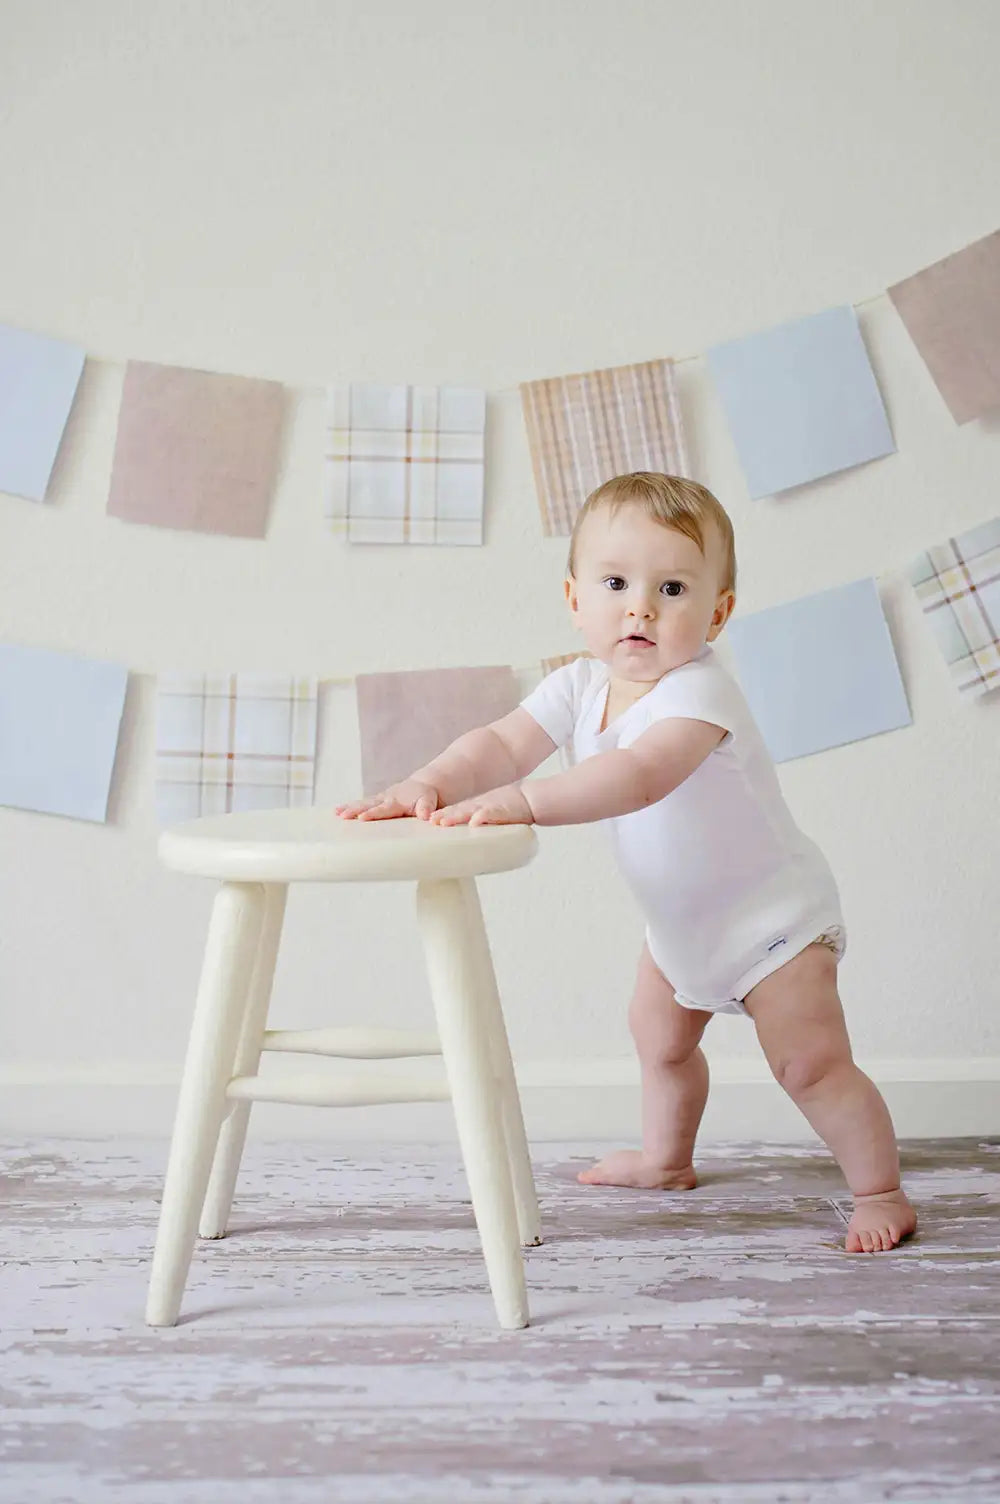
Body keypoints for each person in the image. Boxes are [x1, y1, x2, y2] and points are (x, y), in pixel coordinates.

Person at [335, 471, 917, 1254]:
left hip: (775, 924)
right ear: (575, 599)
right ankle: (666, 1158)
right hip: (680, 929)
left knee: (810, 1065)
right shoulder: (576, 686)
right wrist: (429, 782)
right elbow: (501, 744)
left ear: (717, 613)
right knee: (661, 1042)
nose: (640, 607)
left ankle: (880, 1190)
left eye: (672, 587)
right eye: (616, 582)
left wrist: (527, 801)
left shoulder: (700, 695)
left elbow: (639, 777)